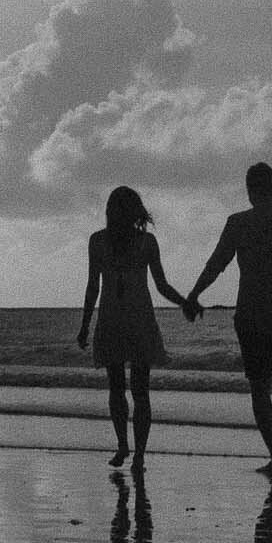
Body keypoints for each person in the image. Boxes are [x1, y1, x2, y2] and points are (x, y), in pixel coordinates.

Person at [185, 161, 272, 475]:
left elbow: (216, 264)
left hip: (253, 315)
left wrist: (193, 294)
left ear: (249, 192)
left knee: (260, 387)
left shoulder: (238, 224)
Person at [75, 185, 196, 470]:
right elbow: (161, 286)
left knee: (119, 389)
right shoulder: (138, 242)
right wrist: (185, 303)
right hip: (135, 319)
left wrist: (85, 326)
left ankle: (127, 449)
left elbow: (94, 287)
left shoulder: (103, 241)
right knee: (138, 391)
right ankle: (135, 453)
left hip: (116, 320)